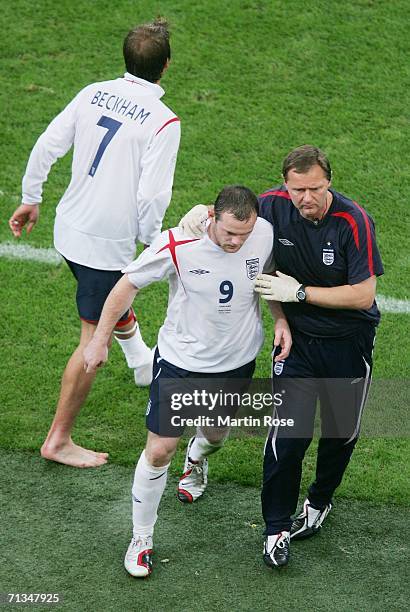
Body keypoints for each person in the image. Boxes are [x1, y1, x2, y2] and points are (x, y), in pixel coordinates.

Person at [179, 145, 384, 569]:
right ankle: (275, 527)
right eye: (297, 189)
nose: (306, 198)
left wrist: (301, 293)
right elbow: (232, 215)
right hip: (297, 344)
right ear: (285, 185)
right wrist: (201, 212)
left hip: (349, 343)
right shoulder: (271, 205)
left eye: (315, 188)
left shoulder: (354, 221)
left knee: (340, 433)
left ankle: (318, 502)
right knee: (288, 436)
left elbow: (364, 295)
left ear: (329, 182)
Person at [83, 185, 292, 577]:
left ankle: (196, 459)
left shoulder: (262, 233)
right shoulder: (179, 243)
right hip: (181, 363)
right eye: (229, 232)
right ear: (212, 217)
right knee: (160, 450)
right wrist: (99, 339)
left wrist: (279, 317)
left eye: (242, 235)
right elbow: (126, 285)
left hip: (236, 362)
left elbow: (266, 278)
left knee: (215, 435)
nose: (236, 242)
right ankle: (141, 537)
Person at [8, 19, 181, 468]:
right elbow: (152, 195)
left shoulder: (91, 92)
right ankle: (58, 440)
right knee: (92, 342)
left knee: (108, 299)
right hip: (105, 243)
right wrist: (149, 243)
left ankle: (142, 363)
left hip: (68, 229)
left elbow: (48, 144)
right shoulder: (164, 120)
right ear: (165, 66)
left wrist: (31, 197)